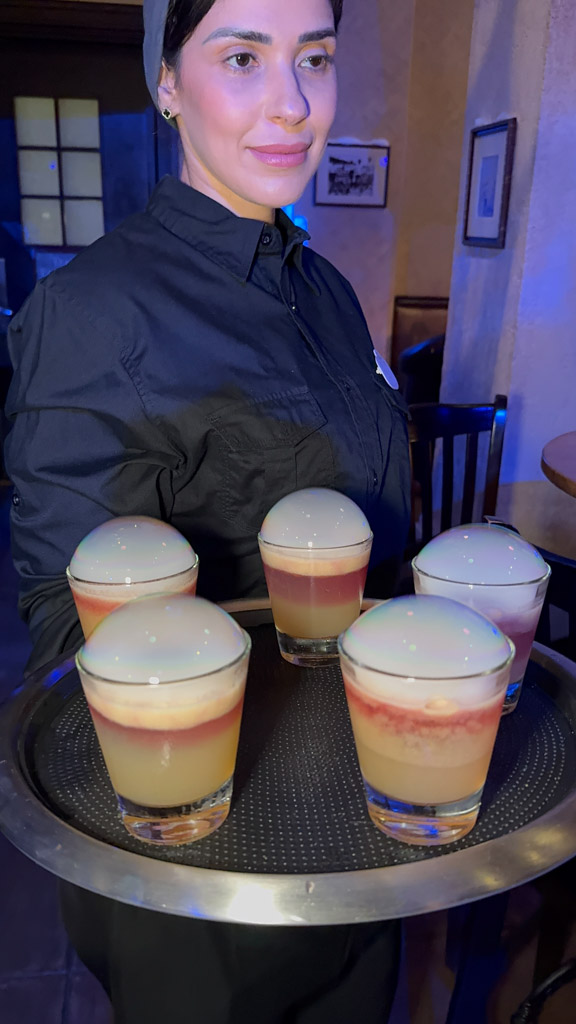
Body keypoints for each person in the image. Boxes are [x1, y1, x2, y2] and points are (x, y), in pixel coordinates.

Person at [5, 0, 411, 1021]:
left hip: (367, 814)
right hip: (207, 874)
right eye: (242, 57)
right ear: (167, 82)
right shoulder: (91, 312)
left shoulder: (326, 289)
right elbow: (66, 624)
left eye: (315, 56)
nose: (294, 103)